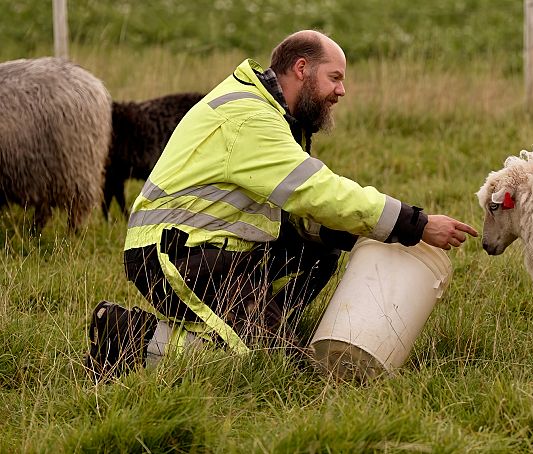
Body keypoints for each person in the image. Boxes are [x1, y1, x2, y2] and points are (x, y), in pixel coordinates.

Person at [84, 30, 478, 381]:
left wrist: (361, 233)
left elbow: (301, 211)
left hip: (221, 250)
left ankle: (258, 324)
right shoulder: (250, 117)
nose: (342, 91)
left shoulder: (271, 113)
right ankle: (125, 335)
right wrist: (414, 223)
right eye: (335, 77)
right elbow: (316, 191)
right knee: (266, 365)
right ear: (302, 68)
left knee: (322, 247)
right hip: (176, 252)